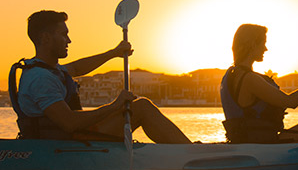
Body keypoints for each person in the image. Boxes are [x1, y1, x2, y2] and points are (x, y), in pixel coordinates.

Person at [10, 10, 190, 144]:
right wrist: (115, 106)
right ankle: (188, 152)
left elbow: (77, 67)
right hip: (71, 138)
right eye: (63, 34)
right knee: (141, 107)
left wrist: (114, 53)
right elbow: (70, 123)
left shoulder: (50, 69)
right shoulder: (40, 78)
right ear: (46, 38)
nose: (69, 40)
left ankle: (184, 149)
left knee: (140, 105)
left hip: (76, 134)